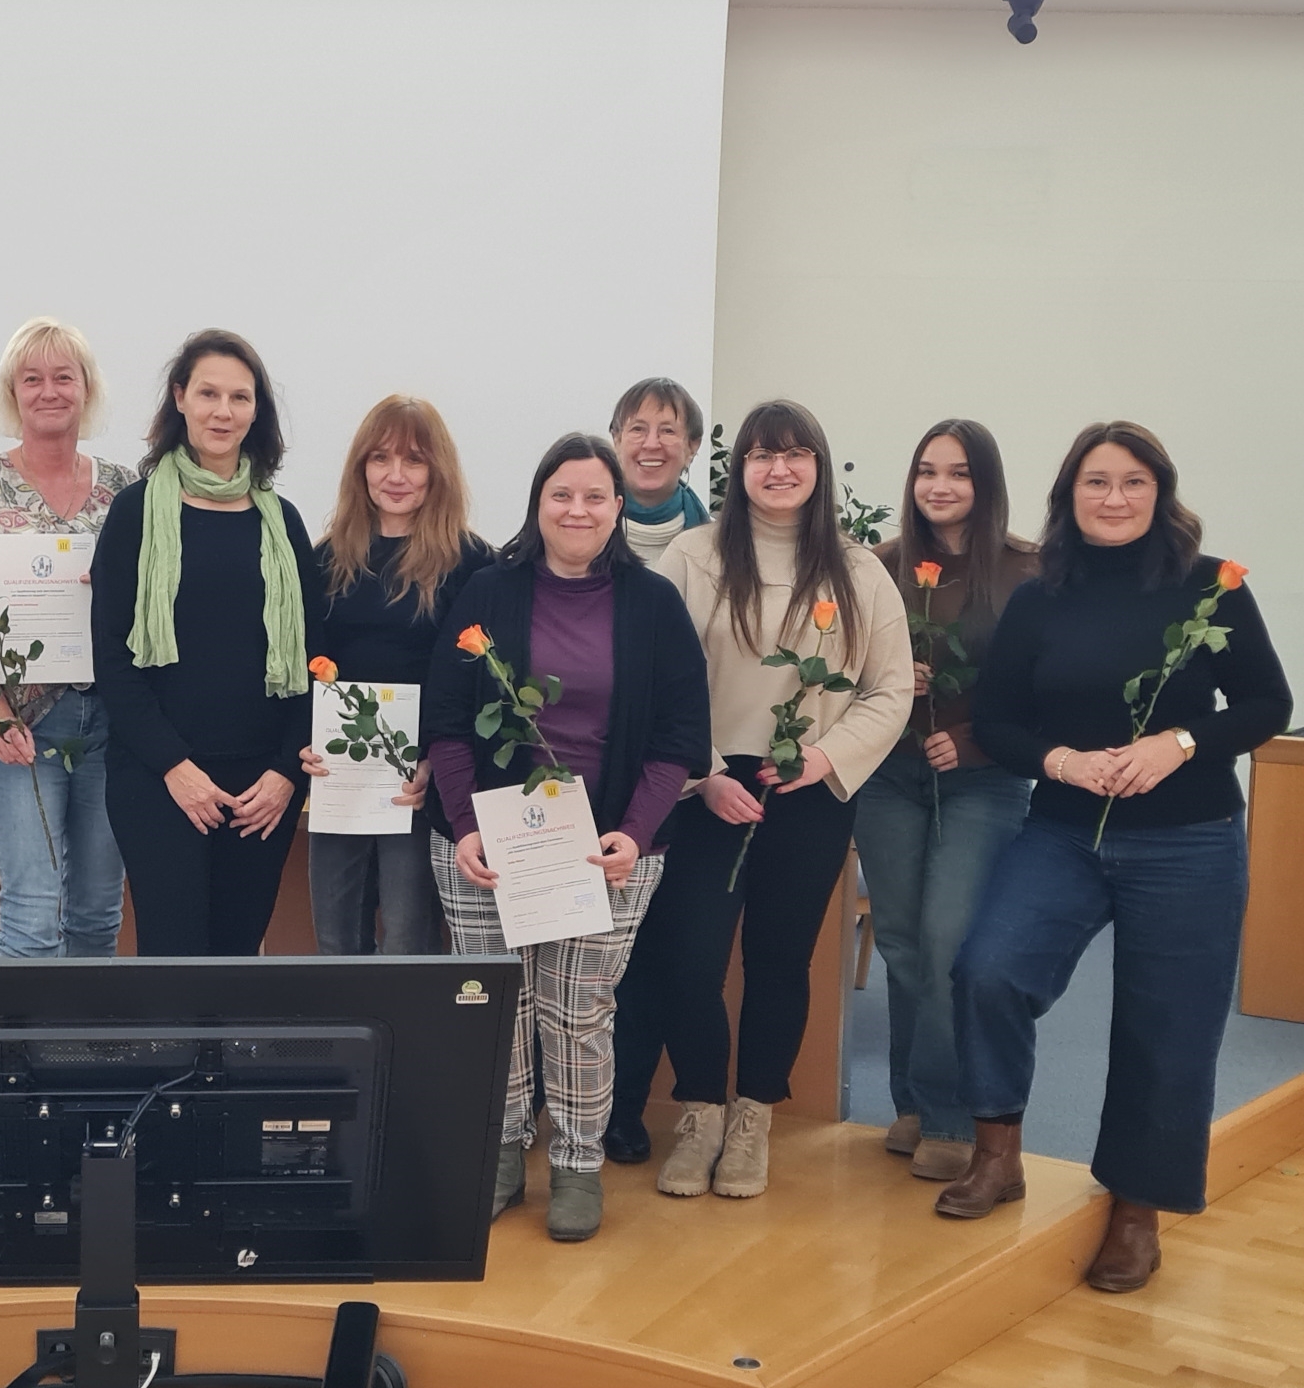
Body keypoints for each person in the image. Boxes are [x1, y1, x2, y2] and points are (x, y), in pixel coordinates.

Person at [940, 422, 1289, 1294]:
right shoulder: (1039, 596)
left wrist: (1178, 741)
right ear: (1069, 497)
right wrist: (1061, 761)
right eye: (1097, 482)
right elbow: (1002, 723)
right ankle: (999, 1153)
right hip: (1064, 830)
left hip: (1190, 842)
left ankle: (1137, 1209)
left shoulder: (1210, 590)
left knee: (1167, 1026)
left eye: (1134, 483)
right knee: (989, 969)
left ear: (1161, 495)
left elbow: (1267, 703)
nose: (1115, 498)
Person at [609, 400, 911, 1199]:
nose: (780, 469)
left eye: (796, 453)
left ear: (817, 465)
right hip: (707, 788)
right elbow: (655, 680)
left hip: (809, 787)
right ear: (736, 470)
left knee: (781, 960)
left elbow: (886, 694)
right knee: (692, 959)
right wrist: (705, 775)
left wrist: (823, 756)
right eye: (761, 455)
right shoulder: (694, 555)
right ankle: (701, 1107)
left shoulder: (858, 571)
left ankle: (753, 1117)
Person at [421, 433, 709, 1243]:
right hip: (486, 841)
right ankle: (502, 1155)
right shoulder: (487, 592)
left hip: (605, 846)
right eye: (561, 495)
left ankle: (579, 1163)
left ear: (618, 508)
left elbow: (680, 738)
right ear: (538, 503)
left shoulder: (653, 606)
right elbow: (446, 724)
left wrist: (634, 833)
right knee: (495, 1007)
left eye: (594, 496)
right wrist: (468, 828)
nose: (576, 510)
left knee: (578, 1009)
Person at [91, 329, 320, 956]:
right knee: (173, 959)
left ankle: (224, 1064)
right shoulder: (136, 513)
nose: (224, 411)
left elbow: (315, 663)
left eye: (240, 397)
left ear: (256, 411)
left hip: (261, 788)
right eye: (209, 393)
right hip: (159, 779)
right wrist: (176, 768)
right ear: (180, 398)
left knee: (238, 958)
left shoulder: (284, 522)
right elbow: (113, 659)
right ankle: (171, 1063)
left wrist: (283, 775)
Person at [853, 422, 1040, 1181]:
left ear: (985, 483)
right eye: (927, 471)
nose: (940, 486)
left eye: (958, 473)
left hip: (982, 780)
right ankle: (910, 1102)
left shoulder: (1028, 571)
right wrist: (894, 683)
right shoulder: (879, 566)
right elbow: (845, 673)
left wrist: (974, 741)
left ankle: (951, 1112)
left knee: (948, 943)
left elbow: (1047, 690)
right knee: (899, 942)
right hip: (889, 776)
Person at [0, 318, 135, 958]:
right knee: (30, 919)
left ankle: (84, 1058)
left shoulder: (125, 488)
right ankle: (18, 1059)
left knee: (98, 915)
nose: (49, 391)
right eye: (32, 378)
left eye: (63, 377)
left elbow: (151, 608)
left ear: (86, 389)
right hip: (19, 726)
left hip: (113, 723)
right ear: (12, 392)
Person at [301, 395, 491, 955]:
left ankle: (406, 1047)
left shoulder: (473, 564)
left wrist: (440, 759)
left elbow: (474, 680)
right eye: (380, 459)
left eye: (414, 460)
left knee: (409, 938)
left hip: (419, 782)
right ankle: (342, 1047)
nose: (396, 476)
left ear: (439, 471)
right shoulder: (325, 559)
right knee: (335, 938)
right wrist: (304, 746)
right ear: (360, 468)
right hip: (338, 778)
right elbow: (302, 667)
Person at [609, 377, 710, 567]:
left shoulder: (720, 547)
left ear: (692, 446)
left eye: (668, 431)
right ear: (617, 440)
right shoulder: (581, 535)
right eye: (638, 429)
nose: (651, 444)